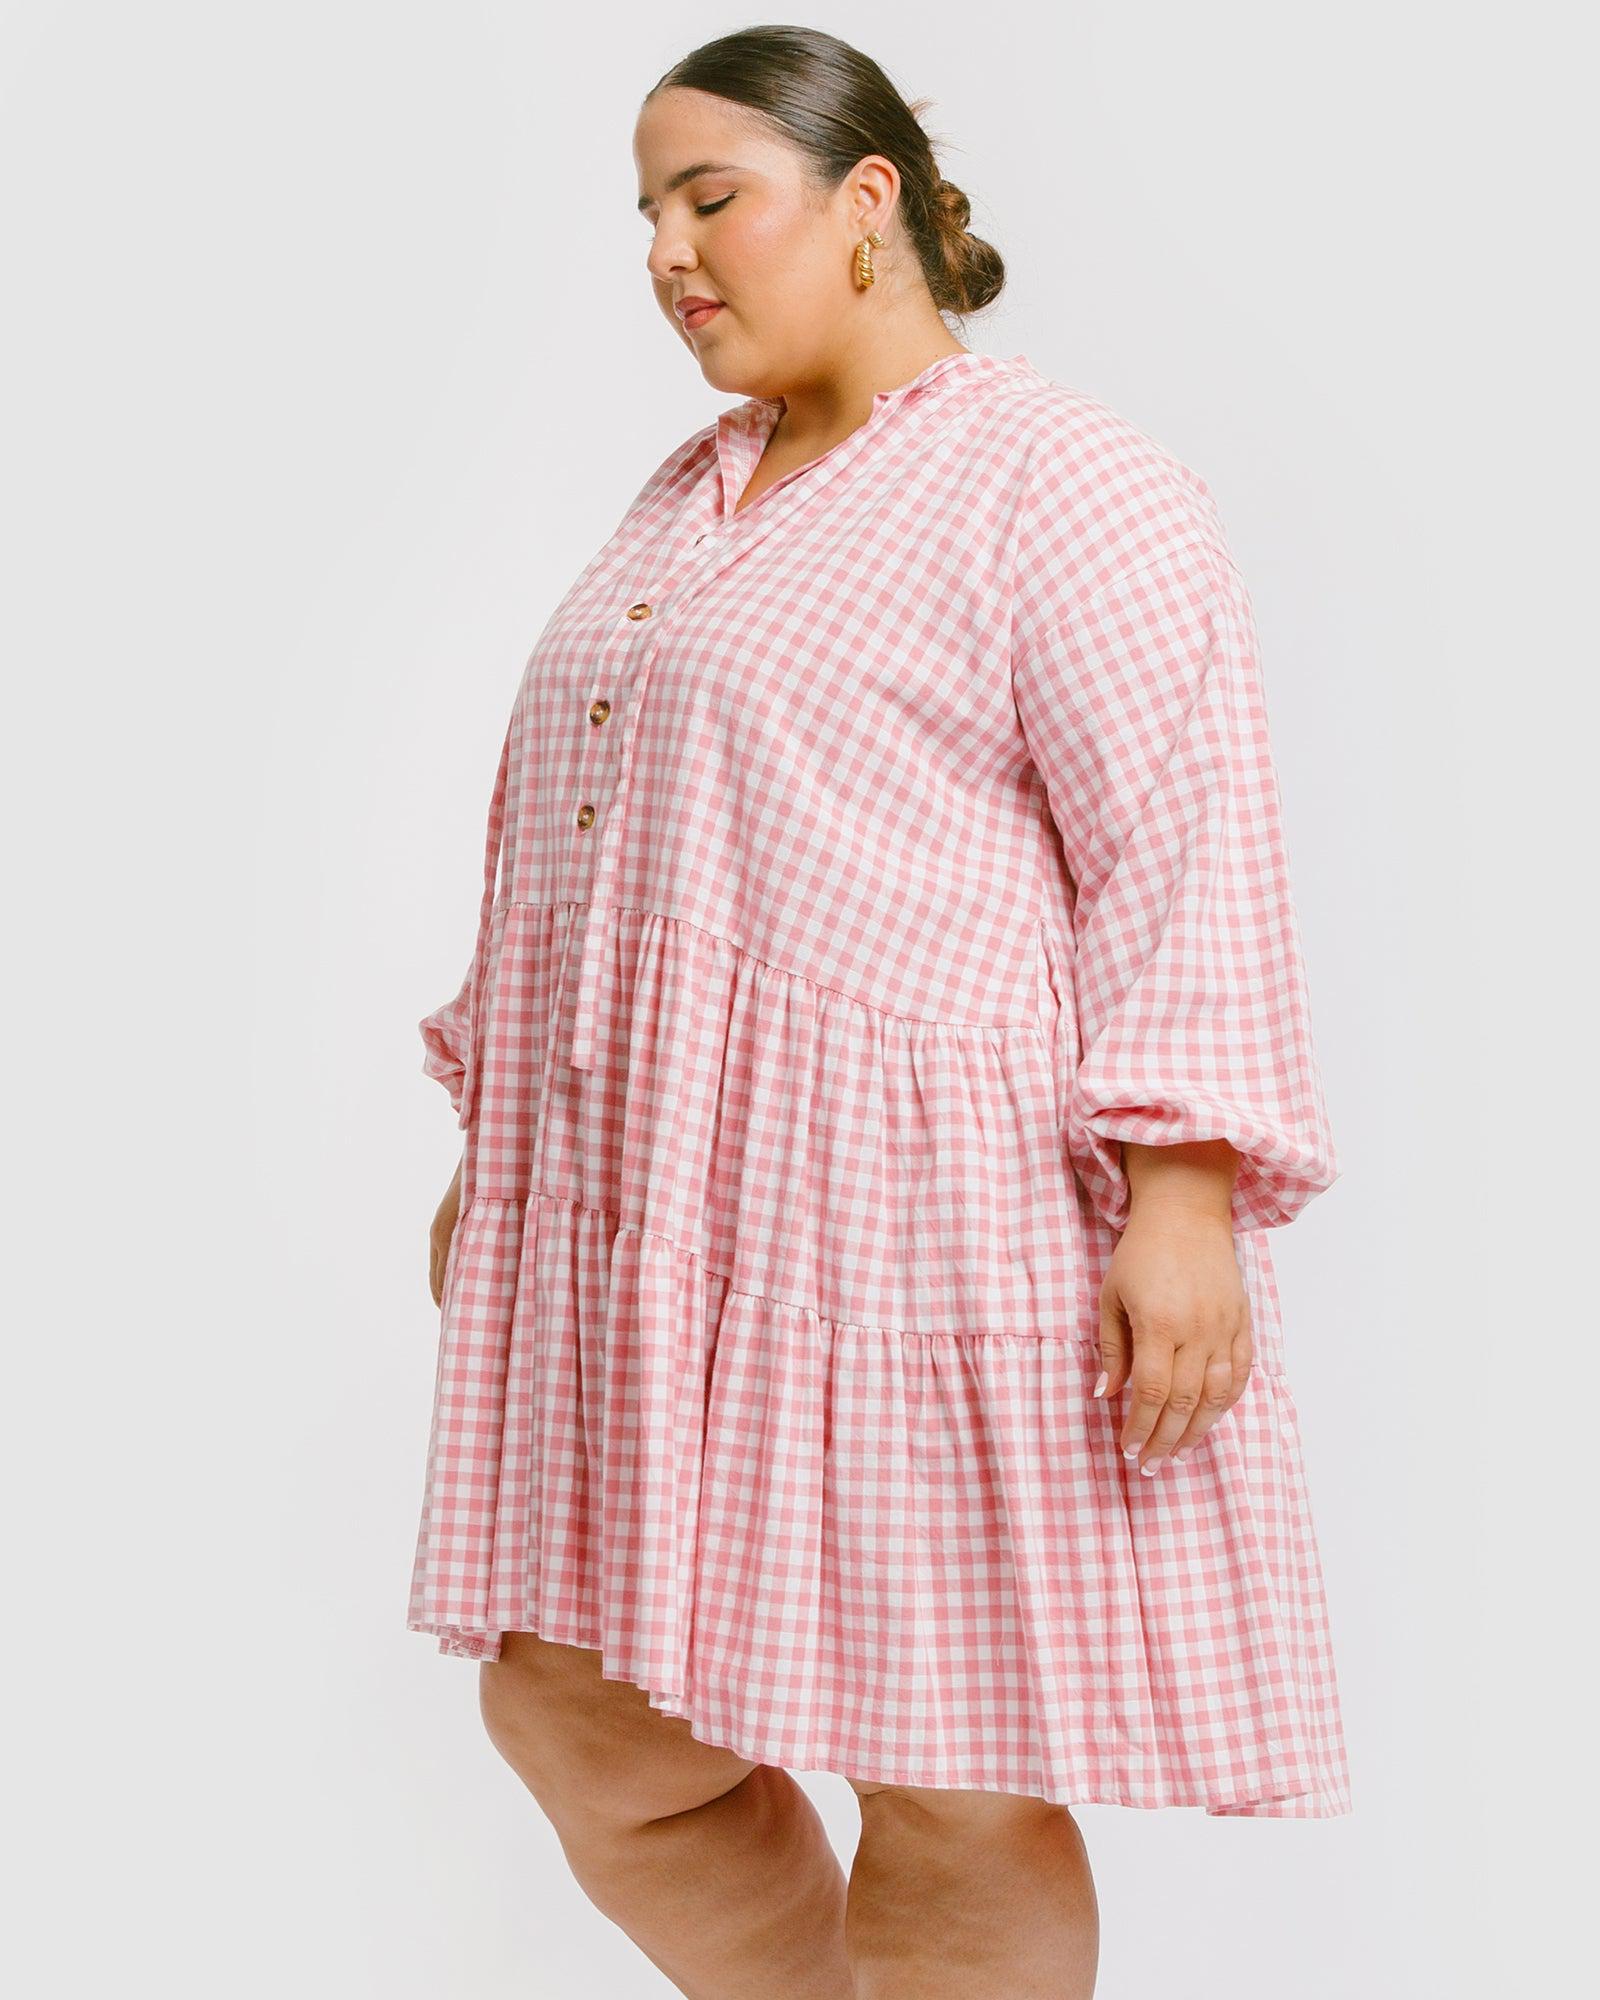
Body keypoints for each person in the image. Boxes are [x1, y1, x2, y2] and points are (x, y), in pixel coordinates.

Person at [407, 25, 1349, 2000]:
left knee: (946, 1773)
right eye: (645, 214)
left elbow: (1181, 838)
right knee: (578, 1713)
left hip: (924, 1224)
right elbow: (582, 834)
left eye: (710, 197)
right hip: (654, 1220)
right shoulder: (690, 494)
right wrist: (500, 1150)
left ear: (866, 201)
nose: (667, 252)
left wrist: (1183, 1192)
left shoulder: (1060, 477)